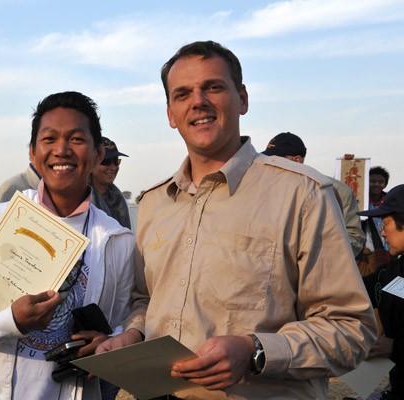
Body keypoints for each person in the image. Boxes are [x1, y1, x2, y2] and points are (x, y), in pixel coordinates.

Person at [97, 40, 376, 399]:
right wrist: (132, 335)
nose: (198, 101)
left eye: (213, 87)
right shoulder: (155, 203)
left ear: (242, 98)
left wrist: (256, 351)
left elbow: (351, 328)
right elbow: (145, 299)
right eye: (182, 94)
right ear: (170, 113)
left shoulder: (302, 195)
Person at [0, 91, 134, 399]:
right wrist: (7, 322)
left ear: (99, 153)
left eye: (76, 139)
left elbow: (124, 325)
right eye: (49, 139)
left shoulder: (117, 241)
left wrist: (108, 343)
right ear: (33, 153)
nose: (62, 150)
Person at [262, 132, 365, 256]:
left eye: (278, 160)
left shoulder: (335, 190)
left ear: (297, 160)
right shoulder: (265, 189)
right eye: (270, 159)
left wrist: (311, 252)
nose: (272, 164)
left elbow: (354, 239)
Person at [358, 184, 404, 400]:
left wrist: (397, 347)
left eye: (386, 223)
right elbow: (357, 291)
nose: (383, 232)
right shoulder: (393, 269)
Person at [90, 137, 131, 229]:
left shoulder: (121, 201)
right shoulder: (81, 203)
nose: (113, 167)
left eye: (116, 161)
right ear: (90, 164)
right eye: (106, 162)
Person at [359, 166, 392, 274]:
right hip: (363, 251)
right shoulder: (358, 200)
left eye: (381, 182)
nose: (376, 184)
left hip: (386, 249)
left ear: (385, 184)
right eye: (372, 181)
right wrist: (348, 164)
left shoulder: (390, 201)